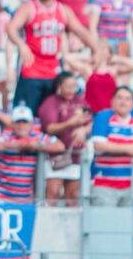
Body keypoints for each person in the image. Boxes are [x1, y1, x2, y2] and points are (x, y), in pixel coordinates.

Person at [7, 0, 98, 114]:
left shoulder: (63, 10)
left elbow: (81, 31)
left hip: (53, 72)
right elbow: (12, 28)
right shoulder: (29, 8)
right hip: (31, 70)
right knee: (25, 114)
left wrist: (96, 49)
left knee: (49, 116)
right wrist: (21, 44)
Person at [0, 104, 65, 203]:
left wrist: (39, 147)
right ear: (12, 124)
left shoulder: (37, 136)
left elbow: (60, 146)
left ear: (31, 123)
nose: (21, 126)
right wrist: (26, 146)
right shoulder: (7, 133)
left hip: (24, 196)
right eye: (18, 122)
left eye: (25, 122)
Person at [90, 86, 133, 206]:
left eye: (127, 99)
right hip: (105, 185)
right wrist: (130, 149)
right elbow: (99, 145)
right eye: (120, 98)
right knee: (104, 223)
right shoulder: (103, 117)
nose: (123, 102)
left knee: (129, 223)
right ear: (112, 101)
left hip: (132, 185)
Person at [37, 73, 93, 205]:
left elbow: (90, 121)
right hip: (56, 157)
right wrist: (71, 123)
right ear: (59, 86)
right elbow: (50, 128)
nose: (72, 90)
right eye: (68, 86)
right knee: (53, 192)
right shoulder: (50, 103)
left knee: (73, 195)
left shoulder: (80, 101)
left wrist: (83, 130)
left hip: (76, 155)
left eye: (74, 86)